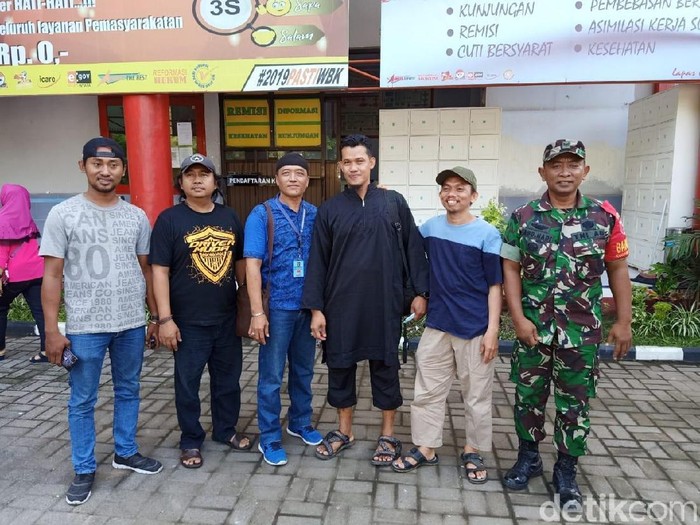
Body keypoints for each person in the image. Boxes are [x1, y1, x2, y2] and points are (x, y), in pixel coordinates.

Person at [500, 139, 632, 512]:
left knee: (575, 403)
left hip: (580, 331)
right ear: (542, 172)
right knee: (528, 397)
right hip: (534, 329)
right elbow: (510, 267)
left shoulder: (604, 217)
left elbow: (618, 269)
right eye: (556, 165)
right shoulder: (523, 216)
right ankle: (528, 457)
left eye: (573, 165)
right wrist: (519, 318)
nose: (564, 172)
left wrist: (623, 321)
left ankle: (566, 470)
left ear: (585, 171)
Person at [40, 137, 162, 506]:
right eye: (97, 164)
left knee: (129, 388)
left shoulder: (136, 216)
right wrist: (51, 331)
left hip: (130, 322)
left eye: (112, 165)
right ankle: (84, 467)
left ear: (123, 169)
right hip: (85, 326)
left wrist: (155, 317)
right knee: (82, 400)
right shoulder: (63, 214)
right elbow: (52, 275)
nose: (105, 171)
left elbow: (147, 269)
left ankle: (125, 451)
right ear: (84, 167)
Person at [302, 134, 429, 465]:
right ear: (340, 166)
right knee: (340, 368)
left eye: (360, 160)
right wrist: (317, 309)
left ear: (371, 162)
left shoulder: (392, 202)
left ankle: (388, 434)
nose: (353, 167)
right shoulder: (329, 210)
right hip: (341, 305)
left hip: (384, 303)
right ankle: (344, 431)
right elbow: (317, 260)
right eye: (347, 162)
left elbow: (413, 247)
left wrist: (420, 292)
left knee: (385, 368)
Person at [391, 167, 502, 484]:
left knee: (476, 396)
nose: (451, 194)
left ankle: (473, 449)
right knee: (426, 391)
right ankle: (426, 447)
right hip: (438, 324)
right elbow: (408, 249)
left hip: (475, 327)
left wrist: (493, 329)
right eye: (446, 188)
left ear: (473, 196)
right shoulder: (430, 228)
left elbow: (496, 286)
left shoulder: (487, 234)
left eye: (460, 189)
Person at [150, 153, 252, 471]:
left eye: (204, 174)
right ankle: (191, 439)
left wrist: (248, 306)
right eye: (190, 174)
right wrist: (164, 319)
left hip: (224, 319)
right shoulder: (169, 220)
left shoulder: (230, 217)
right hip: (186, 322)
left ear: (214, 182)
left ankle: (225, 431)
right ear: (180, 183)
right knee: (187, 384)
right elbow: (159, 272)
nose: (197, 179)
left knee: (228, 382)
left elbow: (239, 265)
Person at [244, 152, 322, 466]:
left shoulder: (316, 214)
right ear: (277, 178)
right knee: (272, 377)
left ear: (307, 179)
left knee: (304, 371)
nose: (293, 178)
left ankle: (300, 421)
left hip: (306, 307)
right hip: (275, 308)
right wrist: (256, 313)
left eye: (299, 173)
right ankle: (270, 436)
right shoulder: (262, 214)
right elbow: (252, 264)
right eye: (286, 173)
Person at [0, 184, 47, 363]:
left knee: (1, 308)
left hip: (15, 275)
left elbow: (2, 252)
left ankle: (0, 350)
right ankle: (46, 350)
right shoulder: (28, 218)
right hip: (37, 271)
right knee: (40, 311)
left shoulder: (2, 220)